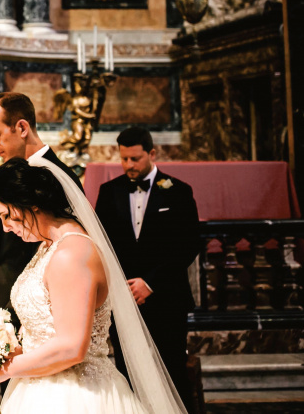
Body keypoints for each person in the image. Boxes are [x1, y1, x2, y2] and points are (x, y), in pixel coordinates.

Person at [0, 158, 187, 413]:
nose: (6, 228)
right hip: (41, 388)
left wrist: (5, 370)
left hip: (77, 395)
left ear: (29, 204)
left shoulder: (72, 254)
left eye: (5, 216)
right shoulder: (48, 246)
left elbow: (72, 348)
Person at [95, 127, 201, 413]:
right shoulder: (109, 192)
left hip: (166, 297)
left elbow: (188, 244)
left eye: (136, 159)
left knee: (171, 368)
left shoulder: (178, 191)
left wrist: (150, 283)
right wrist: (120, 287)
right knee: (128, 370)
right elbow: (101, 244)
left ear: (152, 154)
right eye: (124, 159)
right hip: (124, 298)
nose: (129, 165)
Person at [0, 92, 82, 313]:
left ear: (22, 128)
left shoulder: (59, 179)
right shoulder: (6, 175)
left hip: (37, 309)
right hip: (4, 295)